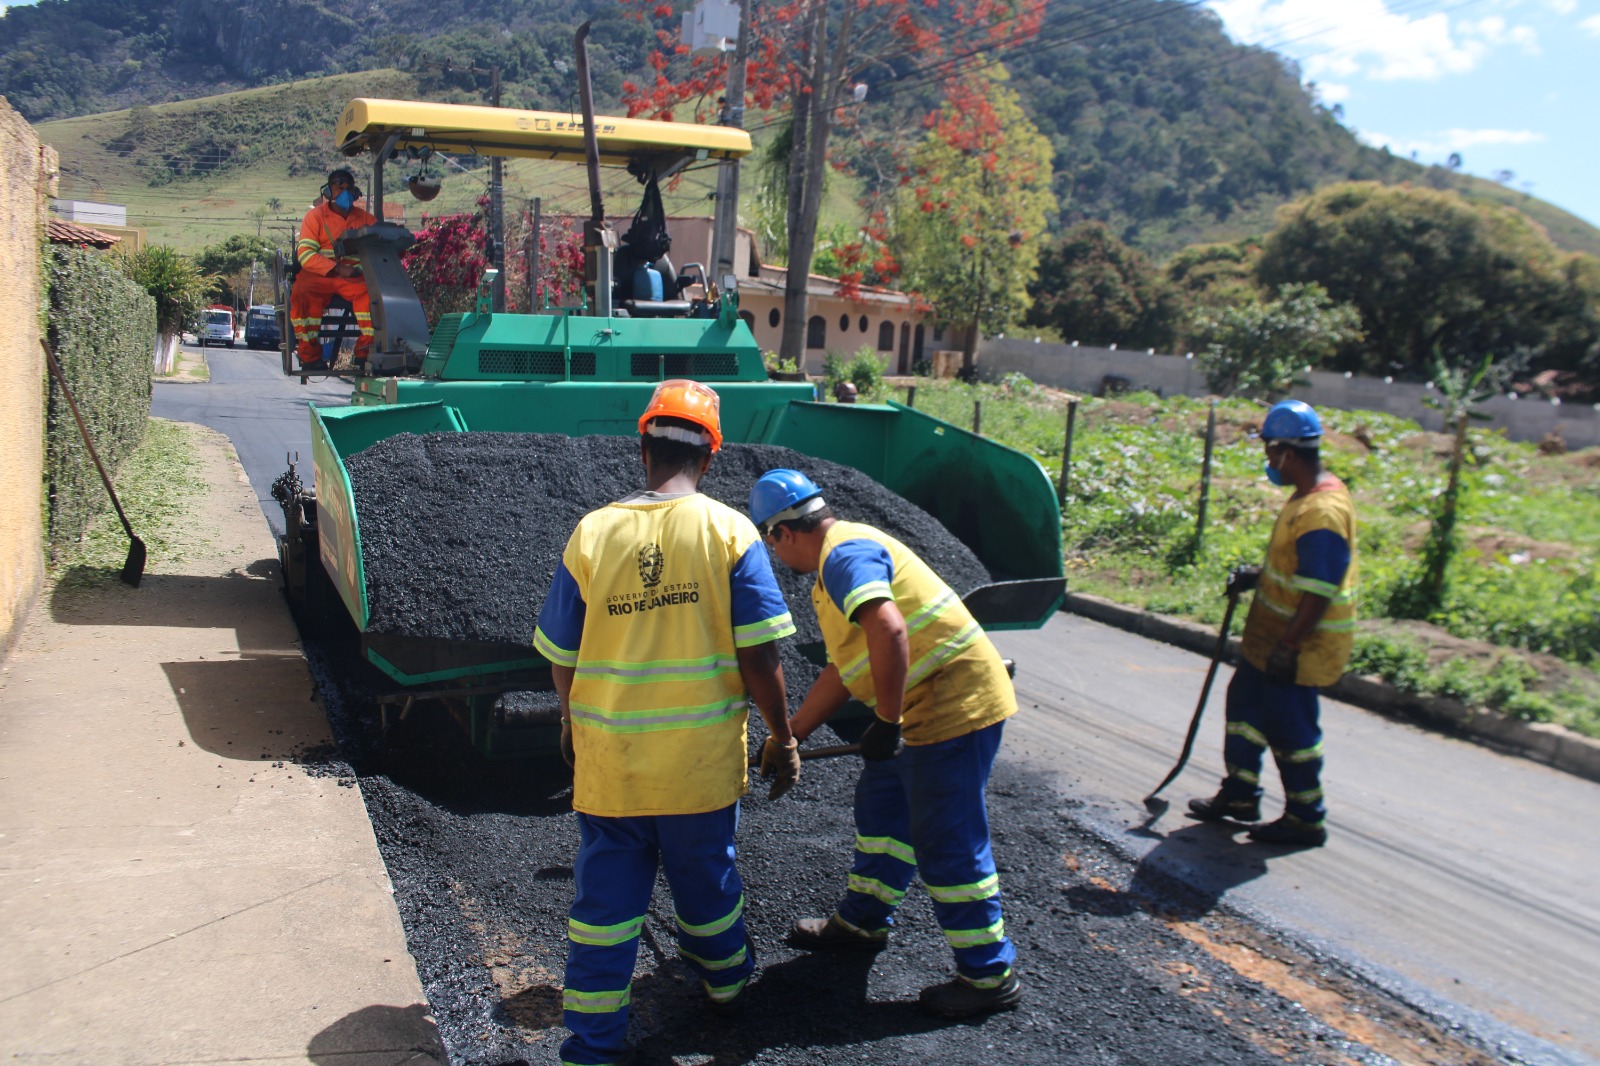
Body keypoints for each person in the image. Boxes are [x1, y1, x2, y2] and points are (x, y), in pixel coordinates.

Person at [533, 380, 801, 1066]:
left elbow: (562, 657)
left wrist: (570, 721)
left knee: (604, 912)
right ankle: (727, 989)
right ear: (710, 456)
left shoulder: (592, 533)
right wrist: (782, 735)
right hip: (697, 773)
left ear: (642, 448)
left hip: (611, 768)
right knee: (707, 889)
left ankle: (591, 1045)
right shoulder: (730, 532)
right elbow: (760, 655)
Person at [747, 468, 1021, 1019]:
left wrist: (887, 722)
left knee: (946, 843)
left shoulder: (846, 556)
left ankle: (989, 975)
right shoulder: (834, 569)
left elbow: (890, 631)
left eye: (770, 545)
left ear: (782, 533)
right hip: (919, 712)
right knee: (883, 813)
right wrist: (790, 736)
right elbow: (844, 670)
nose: (776, 558)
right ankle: (861, 922)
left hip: (953, 710)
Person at [1188, 399, 1358, 848]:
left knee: (1292, 732)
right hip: (1270, 642)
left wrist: (1289, 645)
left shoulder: (1322, 512)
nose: (1268, 461)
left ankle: (1306, 816)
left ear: (1287, 453)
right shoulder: (1304, 499)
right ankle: (1241, 795)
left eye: (1269, 452)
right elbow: (1296, 571)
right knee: (1244, 712)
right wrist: (1256, 578)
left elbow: (1319, 589)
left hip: (1298, 648)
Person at [290, 168, 377, 371]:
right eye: (340, 187)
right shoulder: (315, 217)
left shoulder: (367, 220)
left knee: (374, 296)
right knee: (302, 295)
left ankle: (365, 353)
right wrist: (337, 269)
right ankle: (310, 357)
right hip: (319, 275)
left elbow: (379, 245)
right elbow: (305, 255)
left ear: (356, 193)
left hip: (355, 278)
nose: (345, 192)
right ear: (329, 192)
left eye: (349, 188)